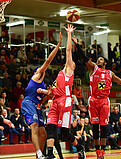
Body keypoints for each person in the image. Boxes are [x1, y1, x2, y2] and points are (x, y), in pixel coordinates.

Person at [72, 35, 121, 158]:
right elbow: (84, 57)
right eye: (98, 59)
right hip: (94, 100)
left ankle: (102, 151)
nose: (98, 60)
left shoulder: (109, 73)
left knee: (104, 125)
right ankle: (97, 150)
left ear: (105, 63)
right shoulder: (93, 68)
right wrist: (77, 44)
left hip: (104, 100)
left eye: (101, 59)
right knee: (95, 125)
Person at [21, 32, 63, 159]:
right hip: (28, 102)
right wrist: (58, 45)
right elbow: (49, 60)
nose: (42, 70)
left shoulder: (43, 85)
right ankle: (39, 154)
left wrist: (48, 96)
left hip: (36, 105)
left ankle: (40, 154)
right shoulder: (37, 76)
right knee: (33, 127)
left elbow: (42, 100)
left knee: (43, 134)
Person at [46, 24, 85, 159]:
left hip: (65, 102)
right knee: (50, 128)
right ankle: (50, 155)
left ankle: (80, 147)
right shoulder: (59, 74)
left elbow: (68, 51)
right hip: (56, 102)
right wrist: (47, 92)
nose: (71, 62)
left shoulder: (69, 71)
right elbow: (54, 91)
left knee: (64, 133)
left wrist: (69, 33)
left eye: (72, 63)